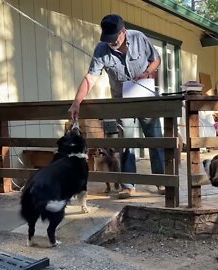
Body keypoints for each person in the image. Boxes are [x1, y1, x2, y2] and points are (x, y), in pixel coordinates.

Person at [68, 14, 165, 199]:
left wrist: (146, 73)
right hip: (122, 102)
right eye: (108, 39)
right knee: (126, 143)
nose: (111, 43)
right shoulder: (101, 49)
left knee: (155, 140)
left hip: (145, 97)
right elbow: (91, 77)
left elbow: (156, 60)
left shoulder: (139, 38)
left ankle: (162, 182)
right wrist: (76, 102)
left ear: (124, 31)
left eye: (115, 38)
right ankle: (128, 185)